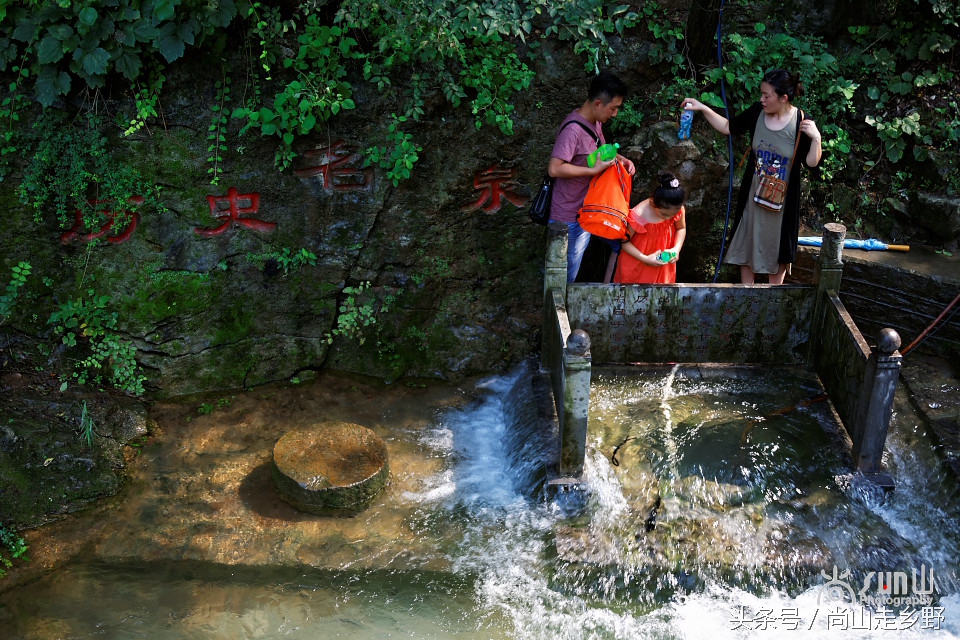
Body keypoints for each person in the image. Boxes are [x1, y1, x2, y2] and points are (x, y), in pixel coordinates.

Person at [682, 68, 823, 284]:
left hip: (781, 203)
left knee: (777, 252)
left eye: (767, 96)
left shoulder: (801, 122)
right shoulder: (758, 111)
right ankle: (747, 299)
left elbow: (811, 162)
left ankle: (772, 304)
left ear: (783, 97)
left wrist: (816, 139)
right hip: (754, 195)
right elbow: (729, 127)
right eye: (762, 94)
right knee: (747, 247)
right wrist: (702, 108)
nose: (762, 99)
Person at [548, 71, 636, 283]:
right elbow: (555, 168)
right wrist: (591, 171)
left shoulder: (595, 124)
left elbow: (600, 150)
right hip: (568, 215)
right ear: (598, 103)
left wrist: (620, 159)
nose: (615, 114)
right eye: (613, 108)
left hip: (588, 210)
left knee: (613, 246)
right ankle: (557, 310)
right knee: (565, 273)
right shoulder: (573, 130)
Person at [613, 173, 686, 284]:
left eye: (673, 214)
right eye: (664, 214)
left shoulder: (677, 209)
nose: (669, 218)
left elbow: (681, 228)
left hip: (662, 264)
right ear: (652, 203)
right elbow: (624, 242)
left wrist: (676, 249)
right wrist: (645, 259)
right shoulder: (638, 215)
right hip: (637, 261)